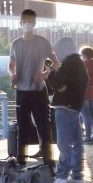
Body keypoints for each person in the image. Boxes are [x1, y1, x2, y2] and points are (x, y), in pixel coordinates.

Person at [9, 9, 59, 170]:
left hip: (39, 92)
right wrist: (12, 74)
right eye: (25, 21)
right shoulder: (15, 43)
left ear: (35, 23)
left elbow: (56, 63)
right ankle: (21, 162)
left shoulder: (43, 42)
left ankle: (48, 161)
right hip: (21, 92)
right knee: (22, 128)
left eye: (30, 21)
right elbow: (11, 65)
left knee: (44, 127)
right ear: (20, 23)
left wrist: (45, 74)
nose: (27, 24)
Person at [46, 36, 89, 183]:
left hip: (64, 108)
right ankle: (77, 175)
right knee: (77, 142)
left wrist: (51, 72)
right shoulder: (79, 64)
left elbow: (58, 84)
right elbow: (63, 85)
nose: (56, 55)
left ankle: (62, 177)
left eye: (57, 51)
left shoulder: (69, 65)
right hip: (75, 108)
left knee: (64, 144)